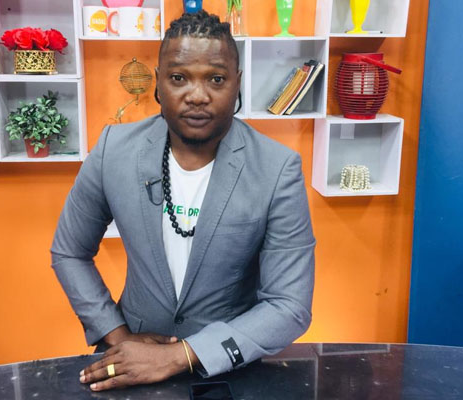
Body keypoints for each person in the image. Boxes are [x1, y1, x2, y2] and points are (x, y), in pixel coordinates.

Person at [51, 10, 315, 392]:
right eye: (179, 78)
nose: (197, 95)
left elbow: (289, 306)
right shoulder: (113, 150)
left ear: (237, 84)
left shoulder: (277, 169)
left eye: (216, 79)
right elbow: (69, 252)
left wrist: (178, 356)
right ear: (159, 83)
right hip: (130, 365)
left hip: (229, 371)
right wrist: (119, 336)